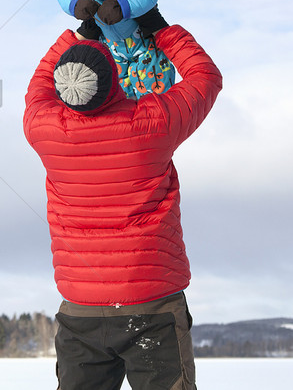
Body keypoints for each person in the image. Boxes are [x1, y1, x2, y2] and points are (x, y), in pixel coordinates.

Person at [23, 22, 222, 390]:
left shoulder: (43, 128)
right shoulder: (152, 122)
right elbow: (205, 78)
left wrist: (78, 35)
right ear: (114, 78)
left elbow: (37, 85)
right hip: (153, 306)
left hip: (81, 309)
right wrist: (160, 28)